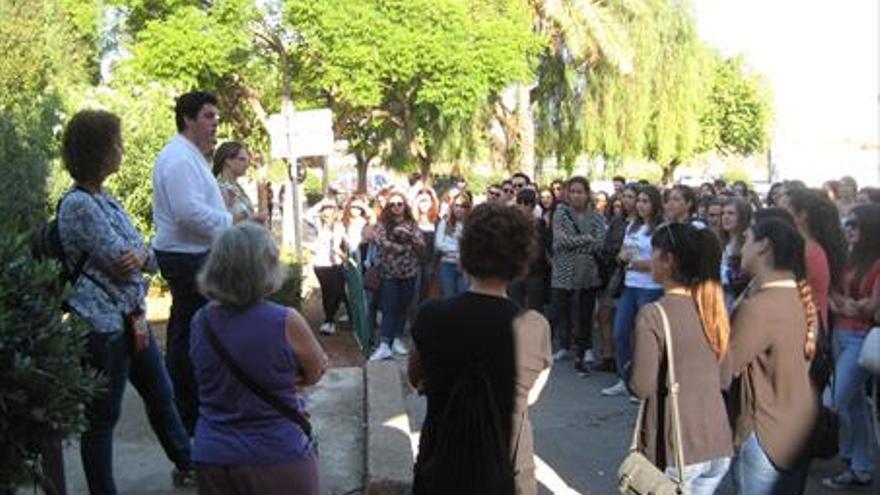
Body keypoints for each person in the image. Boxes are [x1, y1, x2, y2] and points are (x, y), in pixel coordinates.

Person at [58, 110, 194, 493]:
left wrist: (141, 255)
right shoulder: (78, 205)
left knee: (161, 395)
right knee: (103, 419)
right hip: (101, 329)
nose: (121, 149)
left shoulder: (107, 199)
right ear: (97, 150)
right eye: (115, 143)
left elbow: (149, 256)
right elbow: (123, 264)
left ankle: (186, 464)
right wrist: (139, 255)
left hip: (131, 320)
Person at [409, 202, 552, 495]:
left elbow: (416, 377)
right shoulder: (534, 325)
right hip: (508, 463)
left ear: (464, 253)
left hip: (442, 457)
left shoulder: (430, 315)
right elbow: (531, 396)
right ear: (521, 261)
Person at [190, 222, 327, 495]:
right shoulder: (285, 321)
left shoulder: (200, 320)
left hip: (213, 454)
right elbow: (315, 372)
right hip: (275, 454)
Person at [629, 223, 733, 494]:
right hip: (716, 440)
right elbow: (725, 376)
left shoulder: (654, 314)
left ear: (668, 260)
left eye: (653, 252)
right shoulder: (713, 307)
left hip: (677, 442)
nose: (649, 260)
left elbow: (641, 385)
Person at [152, 90, 231, 434]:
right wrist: (233, 223)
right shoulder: (179, 158)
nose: (215, 124)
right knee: (192, 336)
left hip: (193, 255)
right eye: (209, 116)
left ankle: (193, 412)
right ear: (188, 119)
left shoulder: (188, 155)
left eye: (216, 117)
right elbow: (188, 214)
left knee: (189, 331)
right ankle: (190, 415)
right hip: (187, 258)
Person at [725, 217, 819, 494]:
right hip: (796, 422)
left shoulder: (762, 307)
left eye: (747, 240)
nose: (741, 248)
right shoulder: (797, 297)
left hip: (765, 428)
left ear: (764, 246)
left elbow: (726, 367)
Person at [823, 204, 880, 489]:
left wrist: (850, 306)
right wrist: (850, 306)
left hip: (861, 338)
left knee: (833, 401)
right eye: (847, 224)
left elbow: (871, 307)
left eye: (854, 224)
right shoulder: (848, 258)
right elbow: (832, 296)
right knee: (854, 405)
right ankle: (859, 466)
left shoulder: (877, 262)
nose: (849, 229)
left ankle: (855, 461)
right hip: (840, 335)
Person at [602, 185, 664, 397]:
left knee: (643, 335)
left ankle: (644, 382)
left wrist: (636, 264)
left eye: (646, 201)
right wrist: (623, 258)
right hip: (630, 285)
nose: (641, 205)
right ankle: (624, 378)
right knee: (620, 332)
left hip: (650, 287)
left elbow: (659, 262)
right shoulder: (632, 226)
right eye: (639, 201)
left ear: (655, 204)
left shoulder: (659, 229)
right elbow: (622, 252)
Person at [548, 177, 607, 372]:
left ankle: (584, 350)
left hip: (588, 271)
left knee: (585, 312)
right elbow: (559, 240)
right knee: (556, 311)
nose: (575, 195)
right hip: (563, 270)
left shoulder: (597, 216)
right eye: (572, 191)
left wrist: (576, 241)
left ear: (587, 193)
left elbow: (599, 243)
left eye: (579, 191)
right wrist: (586, 239)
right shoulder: (561, 212)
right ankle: (547, 347)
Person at [369, 191, 425, 360]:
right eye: (392, 204)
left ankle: (397, 339)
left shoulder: (412, 224)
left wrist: (407, 236)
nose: (396, 207)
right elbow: (381, 242)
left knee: (403, 306)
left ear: (405, 205)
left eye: (399, 204)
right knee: (389, 307)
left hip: (409, 271)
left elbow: (421, 243)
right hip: (389, 272)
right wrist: (402, 246)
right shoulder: (382, 224)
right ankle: (385, 343)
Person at [593, 185, 634, 373]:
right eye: (624, 197)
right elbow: (608, 244)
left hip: (632, 276)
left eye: (631, 197)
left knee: (626, 323)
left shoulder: (647, 225)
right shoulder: (618, 222)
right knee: (604, 314)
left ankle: (626, 363)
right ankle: (609, 356)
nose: (627, 201)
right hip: (612, 272)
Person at [309, 200, 348, 335]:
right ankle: (329, 320)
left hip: (335, 263)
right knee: (327, 292)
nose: (327, 212)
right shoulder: (318, 226)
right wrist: (323, 202)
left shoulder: (339, 226)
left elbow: (339, 245)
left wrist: (346, 259)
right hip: (320, 264)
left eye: (330, 209)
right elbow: (307, 214)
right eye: (325, 210)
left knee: (337, 292)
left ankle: (331, 317)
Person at [508, 188, 549, 311]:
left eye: (526, 203)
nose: (522, 207)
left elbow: (543, 249)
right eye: (519, 203)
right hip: (516, 271)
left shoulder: (541, 224)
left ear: (532, 205)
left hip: (535, 272)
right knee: (515, 308)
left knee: (534, 309)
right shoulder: (511, 223)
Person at [211, 141, 263, 223]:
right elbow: (219, 223)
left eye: (248, 160)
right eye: (242, 159)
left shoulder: (236, 187)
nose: (247, 164)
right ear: (228, 161)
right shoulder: (220, 189)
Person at [434, 191, 472, 298]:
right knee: (448, 295)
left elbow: (471, 245)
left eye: (463, 206)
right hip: (447, 264)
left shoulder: (470, 224)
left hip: (464, 265)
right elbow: (439, 244)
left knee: (463, 296)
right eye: (457, 205)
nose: (459, 209)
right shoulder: (445, 222)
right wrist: (457, 251)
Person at [719, 197, 752, 309]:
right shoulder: (719, 243)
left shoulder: (748, 246)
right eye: (723, 213)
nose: (725, 217)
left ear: (742, 217)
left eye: (731, 213)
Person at [412, 188, 440, 302]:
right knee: (414, 294)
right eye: (421, 201)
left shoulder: (438, 221)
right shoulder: (412, 221)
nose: (424, 204)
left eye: (427, 201)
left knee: (428, 294)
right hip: (414, 262)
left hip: (431, 262)